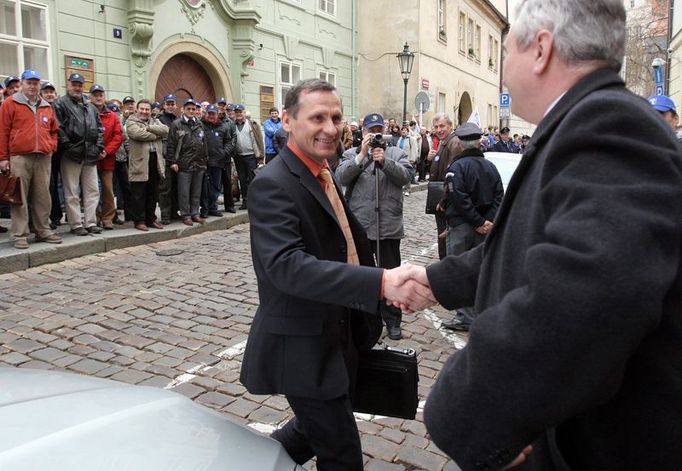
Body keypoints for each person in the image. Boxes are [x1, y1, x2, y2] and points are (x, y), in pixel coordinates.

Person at [387, 1, 682, 469]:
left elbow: (587, 298)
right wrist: (436, 280)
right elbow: (526, 244)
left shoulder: (609, 124)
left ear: (541, 49)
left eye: (505, 51)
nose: (501, 69)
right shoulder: (580, 121)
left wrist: (464, 409)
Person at [239, 78, 432, 471]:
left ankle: (242, 463)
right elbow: (286, 268)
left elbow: (349, 245)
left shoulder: (321, 170)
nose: (330, 127)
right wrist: (380, 283)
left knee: (310, 432)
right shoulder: (272, 184)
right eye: (317, 117)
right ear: (289, 122)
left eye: (337, 117)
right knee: (341, 453)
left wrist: (387, 284)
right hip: (303, 347)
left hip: (340, 333)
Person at [336, 113, 415, 340]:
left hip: (388, 225)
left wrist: (384, 162)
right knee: (362, 275)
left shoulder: (396, 153)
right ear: (363, 132)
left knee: (391, 275)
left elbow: (406, 177)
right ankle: (366, 321)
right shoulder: (352, 153)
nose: (375, 134)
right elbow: (341, 177)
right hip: (361, 225)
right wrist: (362, 156)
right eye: (371, 130)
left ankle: (392, 320)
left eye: (378, 129)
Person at [438, 123, 503, 332]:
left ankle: (465, 316)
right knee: (479, 270)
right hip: (482, 227)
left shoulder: (457, 167)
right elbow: (498, 196)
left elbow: (458, 198)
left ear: (460, 143)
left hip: (462, 227)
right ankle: (478, 312)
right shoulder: (490, 167)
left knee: (459, 271)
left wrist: (477, 222)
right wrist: (486, 221)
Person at [0, 69, 61, 249]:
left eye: (36, 83)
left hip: (42, 156)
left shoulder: (46, 106)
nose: (33, 86)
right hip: (19, 155)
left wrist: (51, 147)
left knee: (43, 195)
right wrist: (3, 158)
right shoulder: (10, 103)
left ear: (39, 85)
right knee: (19, 196)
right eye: (29, 82)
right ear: (22, 83)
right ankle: (19, 233)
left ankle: (43, 230)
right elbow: (2, 131)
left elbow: (54, 130)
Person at [54, 73, 104, 236]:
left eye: (80, 84)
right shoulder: (60, 103)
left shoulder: (89, 106)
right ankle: (76, 224)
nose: (77, 87)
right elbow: (58, 128)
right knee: (71, 192)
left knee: (92, 190)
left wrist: (98, 147)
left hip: (90, 154)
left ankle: (90, 222)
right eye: (74, 84)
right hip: (71, 154)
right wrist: (68, 146)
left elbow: (99, 129)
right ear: (68, 85)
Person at [166, 98, 208, 226]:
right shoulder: (177, 124)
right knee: (184, 192)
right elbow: (171, 144)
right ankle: (186, 215)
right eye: (188, 109)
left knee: (196, 191)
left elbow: (204, 143)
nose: (191, 111)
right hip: (184, 164)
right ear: (183, 110)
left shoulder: (199, 124)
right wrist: (172, 161)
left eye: (193, 109)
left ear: (196, 111)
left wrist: (205, 159)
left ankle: (195, 213)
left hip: (199, 163)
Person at [428, 113, 463, 260]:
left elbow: (452, 175)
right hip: (441, 200)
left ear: (450, 126)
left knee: (448, 241)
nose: (439, 129)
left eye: (442, 126)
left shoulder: (453, 143)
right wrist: (430, 159)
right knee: (443, 240)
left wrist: (444, 200)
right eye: (436, 127)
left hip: (447, 202)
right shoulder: (444, 143)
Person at [89, 84, 123, 230]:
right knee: (92, 190)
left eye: (100, 95)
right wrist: (94, 151)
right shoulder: (87, 112)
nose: (98, 98)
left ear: (104, 97)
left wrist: (106, 151)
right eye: (95, 95)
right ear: (90, 97)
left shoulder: (112, 116)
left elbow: (118, 136)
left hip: (107, 159)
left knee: (108, 190)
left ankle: (108, 218)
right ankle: (94, 217)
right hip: (91, 158)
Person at [201, 104, 236, 217]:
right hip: (204, 162)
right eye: (209, 113)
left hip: (218, 161)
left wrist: (224, 153)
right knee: (204, 187)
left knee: (216, 186)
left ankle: (213, 207)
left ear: (217, 115)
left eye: (213, 114)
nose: (211, 116)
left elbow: (229, 142)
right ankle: (205, 209)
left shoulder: (223, 127)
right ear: (206, 114)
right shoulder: (201, 125)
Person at [233, 103, 264, 209]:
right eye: (236, 112)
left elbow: (260, 141)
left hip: (251, 156)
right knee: (242, 179)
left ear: (244, 113)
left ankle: (253, 200)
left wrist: (261, 157)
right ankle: (245, 201)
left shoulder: (253, 124)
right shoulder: (232, 126)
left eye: (240, 112)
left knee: (252, 179)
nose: (238, 114)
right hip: (239, 156)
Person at [158, 94, 181, 224]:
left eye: (173, 104)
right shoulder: (159, 119)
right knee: (165, 188)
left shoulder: (177, 120)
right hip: (164, 157)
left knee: (176, 187)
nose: (171, 106)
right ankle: (165, 214)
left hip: (177, 158)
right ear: (164, 105)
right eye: (168, 104)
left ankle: (174, 212)